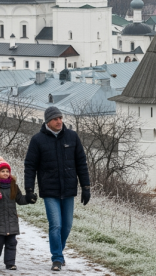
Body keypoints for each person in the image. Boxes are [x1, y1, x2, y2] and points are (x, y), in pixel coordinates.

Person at [24, 106, 91, 272]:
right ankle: (57, 258)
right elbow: (30, 166)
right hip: (49, 191)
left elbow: (81, 163)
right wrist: (29, 189)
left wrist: (86, 186)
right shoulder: (37, 140)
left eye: (60, 118)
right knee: (56, 225)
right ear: (48, 121)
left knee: (66, 226)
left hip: (68, 189)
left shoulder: (72, 137)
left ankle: (59, 252)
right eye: (55, 119)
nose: (59, 121)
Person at [0, 156, 29, 270]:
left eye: (7, 171)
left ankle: (10, 263)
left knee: (12, 242)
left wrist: (29, 198)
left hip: (11, 219)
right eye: (3, 171)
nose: (5, 173)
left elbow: (20, 200)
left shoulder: (13, 187)